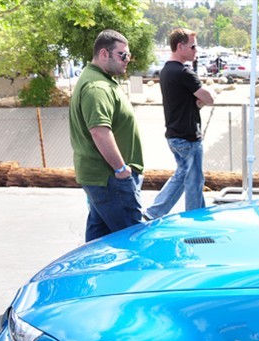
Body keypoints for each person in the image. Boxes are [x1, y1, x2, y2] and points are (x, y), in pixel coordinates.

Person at [69, 29, 145, 242]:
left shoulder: (100, 79)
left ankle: (89, 265)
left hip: (104, 179)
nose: (127, 60)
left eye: (128, 55)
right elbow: (99, 132)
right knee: (133, 239)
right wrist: (121, 170)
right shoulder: (97, 87)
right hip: (110, 179)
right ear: (104, 54)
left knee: (99, 238)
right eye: (123, 55)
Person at [146, 28, 215, 219]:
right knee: (192, 179)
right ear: (180, 46)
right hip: (187, 135)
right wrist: (205, 97)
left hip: (174, 133)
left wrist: (198, 101)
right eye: (193, 46)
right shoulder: (184, 72)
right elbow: (208, 98)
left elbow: (190, 101)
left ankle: (160, 212)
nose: (196, 50)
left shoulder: (167, 71)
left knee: (186, 174)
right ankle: (193, 217)